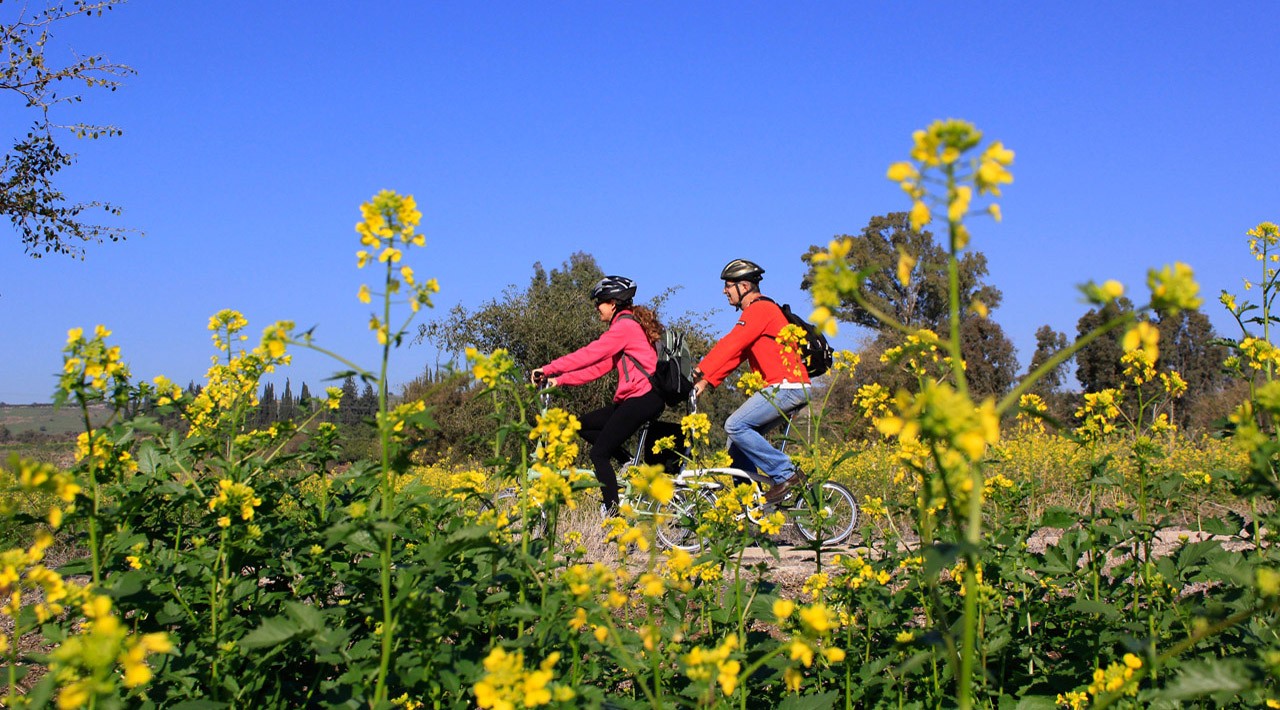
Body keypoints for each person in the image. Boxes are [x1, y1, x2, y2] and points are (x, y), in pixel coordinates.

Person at [532, 276, 665, 513]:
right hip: (638, 399)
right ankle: (628, 464)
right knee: (580, 425)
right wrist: (559, 380)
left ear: (613, 303)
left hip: (641, 398)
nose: (596, 308)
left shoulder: (624, 327)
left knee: (599, 453)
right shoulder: (628, 327)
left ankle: (613, 513)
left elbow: (590, 354)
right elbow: (597, 369)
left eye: (599, 303)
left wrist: (549, 367)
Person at [691, 259, 811, 504]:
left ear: (744, 286)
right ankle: (752, 508)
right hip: (785, 387)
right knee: (737, 447)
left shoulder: (760, 310)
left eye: (729, 285)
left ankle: (786, 474)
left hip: (786, 386)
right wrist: (707, 381)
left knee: (734, 426)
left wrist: (700, 369)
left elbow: (732, 343)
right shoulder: (758, 312)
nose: (725, 291)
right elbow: (738, 355)